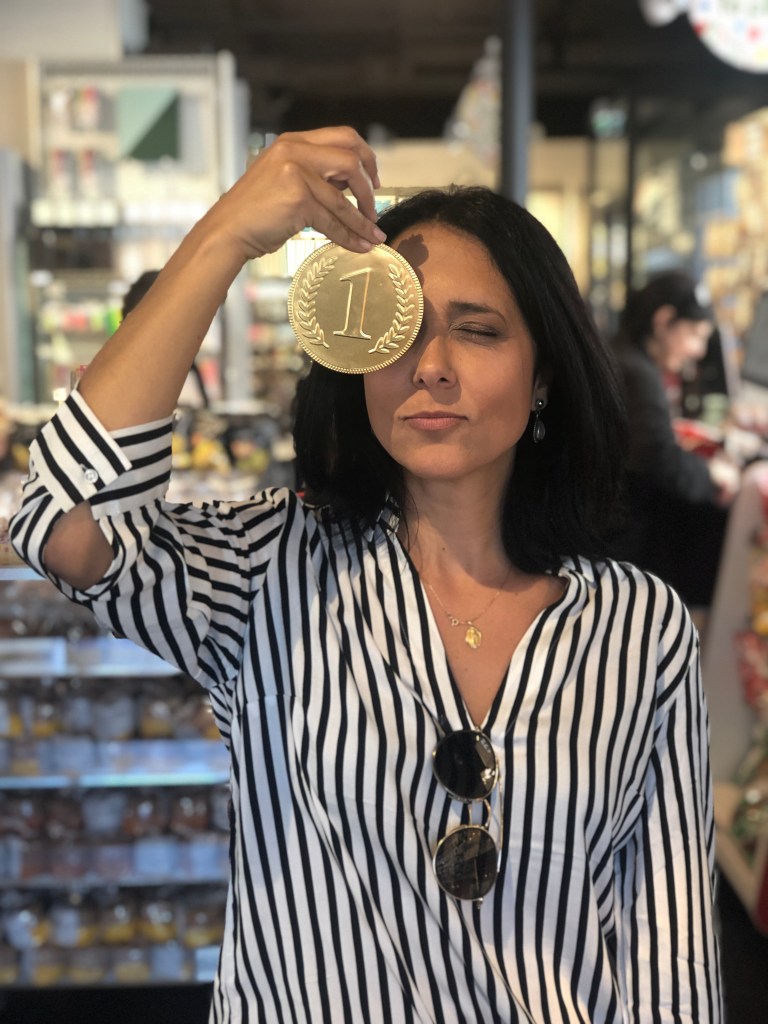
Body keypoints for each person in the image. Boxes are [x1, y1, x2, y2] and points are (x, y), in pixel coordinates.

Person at [10, 127, 722, 1022]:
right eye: (398, 332)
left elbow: (671, 954)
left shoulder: (639, 626)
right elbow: (65, 524)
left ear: (543, 372)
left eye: (479, 330)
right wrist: (226, 233)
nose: (431, 366)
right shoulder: (269, 569)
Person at [608, 271, 737, 607]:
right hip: (619, 547)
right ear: (664, 321)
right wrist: (710, 475)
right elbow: (656, 456)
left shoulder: (622, 354)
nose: (698, 350)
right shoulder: (637, 373)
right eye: (694, 335)